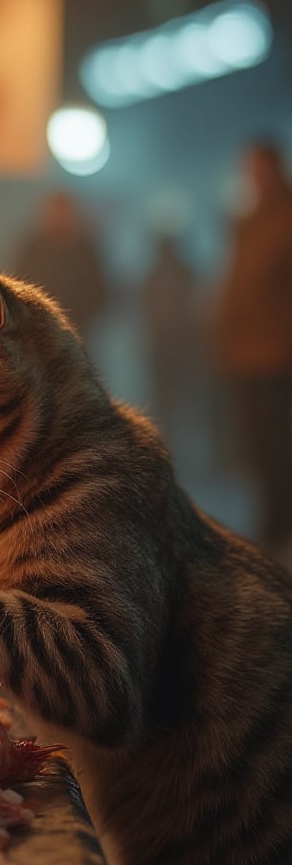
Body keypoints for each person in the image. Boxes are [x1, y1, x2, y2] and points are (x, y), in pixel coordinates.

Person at [213, 140, 292, 560]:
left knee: (276, 442)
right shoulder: (248, 221)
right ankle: (271, 520)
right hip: (243, 353)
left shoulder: (284, 219)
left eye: (258, 168)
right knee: (257, 445)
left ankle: (278, 524)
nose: (253, 176)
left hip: (276, 354)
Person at [11, 190, 110, 344]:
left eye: (64, 213)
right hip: (39, 331)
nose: (60, 218)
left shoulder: (85, 250)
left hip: (79, 330)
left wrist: (82, 316)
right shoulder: (34, 249)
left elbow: (99, 290)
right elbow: (18, 284)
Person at [140, 231, 199, 442]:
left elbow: (146, 308)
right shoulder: (187, 272)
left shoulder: (151, 274)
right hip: (182, 345)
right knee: (184, 391)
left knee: (164, 392)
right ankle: (184, 435)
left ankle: (166, 433)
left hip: (160, 344)